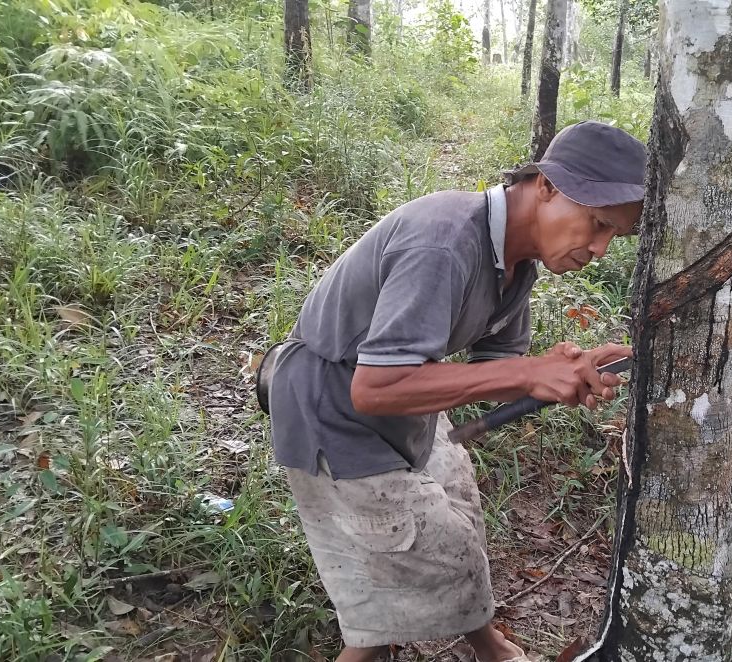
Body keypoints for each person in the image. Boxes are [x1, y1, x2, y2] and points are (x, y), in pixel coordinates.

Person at [268, 121, 647, 662]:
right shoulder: (445, 240)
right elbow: (373, 388)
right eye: (597, 223)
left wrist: (565, 369)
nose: (601, 248)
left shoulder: (516, 265)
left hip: (411, 409)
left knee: (458, 535)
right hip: (332, 412)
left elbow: (498, 366)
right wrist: (526, 375)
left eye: (615, 235)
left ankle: (493, 650)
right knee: (400, 564)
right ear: (545, 186)